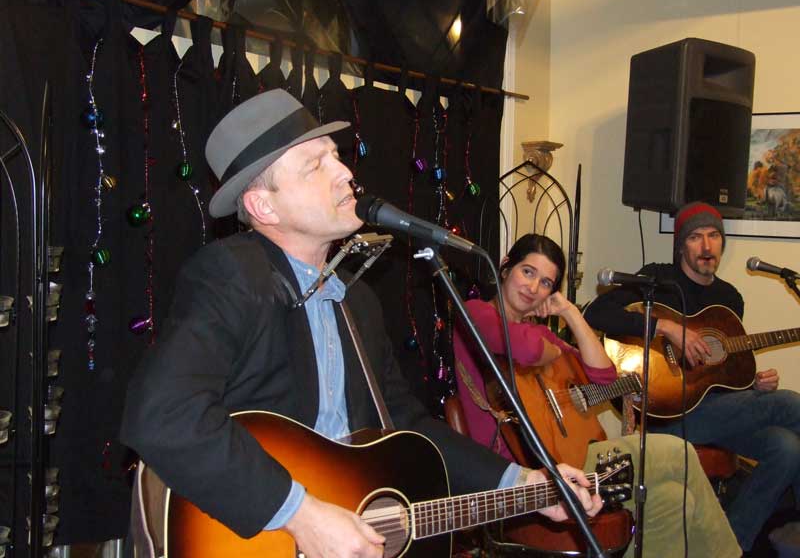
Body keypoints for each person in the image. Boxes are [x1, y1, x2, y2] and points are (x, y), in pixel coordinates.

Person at [119, 89, 602, 558]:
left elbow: (406, 425)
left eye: (336, 156)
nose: (345, 172)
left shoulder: (358, 300)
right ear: (264, 206)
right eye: (315, 165)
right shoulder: (233, 273)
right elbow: (161, 415)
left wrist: (522, 481)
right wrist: (301, 515)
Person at [454, 233, 741, 557]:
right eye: (528, 272)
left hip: (567, 457)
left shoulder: (542, 330)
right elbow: (526, 348)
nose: (533, 288)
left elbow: (604, 377)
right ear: (505, 268)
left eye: (546, 283)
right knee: (680, 453)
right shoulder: (475, 312)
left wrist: (570, 313)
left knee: (675, 498)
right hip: (520, 471)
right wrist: (550, 350)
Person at [584, 201, 800, 554]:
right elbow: (598, 311)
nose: (706, 246)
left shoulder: (730, 299)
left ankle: (727, 546)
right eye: (696, 237)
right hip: (670, 414)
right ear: (681, 245)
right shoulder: (659, 280)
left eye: (714, 235)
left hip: (717, 412)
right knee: (790, 404)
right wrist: (666, 327)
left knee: (787, 448)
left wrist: (754, 383)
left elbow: (719, 377)